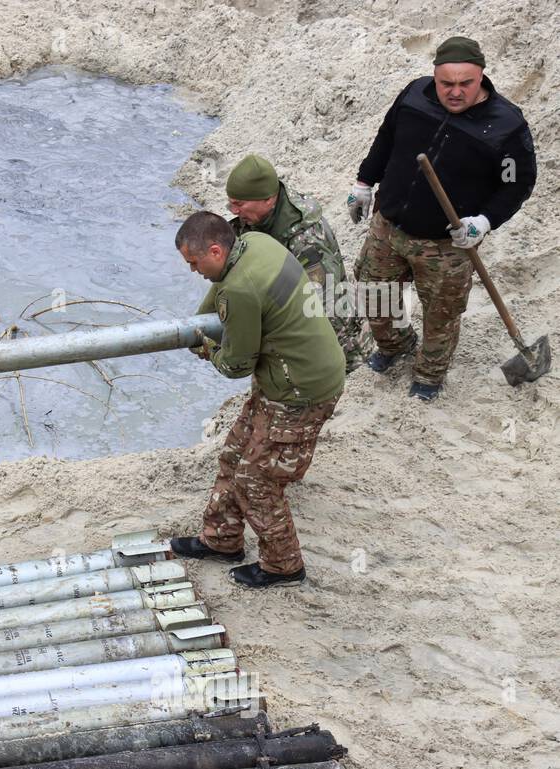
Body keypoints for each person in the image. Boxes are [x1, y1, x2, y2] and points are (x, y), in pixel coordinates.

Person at [347, 35, 536, 400]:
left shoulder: (505, 126)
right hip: (389, 225)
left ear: (481, 76)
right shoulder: (415, 95)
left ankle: (429, 375)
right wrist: (364, 182)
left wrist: (483, 221)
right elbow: (386, 139)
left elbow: (517, 184)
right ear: (434, 76)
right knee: (373, 295)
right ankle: (395, 346)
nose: (454, 92)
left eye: (465, 83)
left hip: (447, 243)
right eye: (446, 82)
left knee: (441, 315)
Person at [169, 213, 345, 588]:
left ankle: (284, 566)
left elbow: (235, 363)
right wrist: (199, 319)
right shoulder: (257, 244)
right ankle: (221, 540)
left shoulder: (241, 289)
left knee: (256, 478)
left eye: (194, 263)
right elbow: (220, 291)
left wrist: (206, 348)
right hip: (285, 377)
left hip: (301, 392)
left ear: (216, 250)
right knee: (233, 454)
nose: (193, 271)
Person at [226, 153, 369, 372]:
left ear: (268, 199)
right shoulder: (260, 216)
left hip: (338, 344)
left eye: (239, 204)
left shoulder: (305, 240)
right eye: (231, 204)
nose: (234, 211)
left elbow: (321, 304)